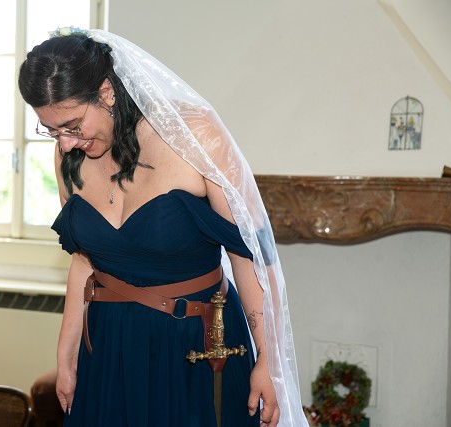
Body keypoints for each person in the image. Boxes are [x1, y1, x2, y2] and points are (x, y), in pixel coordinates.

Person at [18, 28, 308, 427]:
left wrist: (268, 360)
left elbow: (252, 256)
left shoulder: (195, 134)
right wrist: (66, 355)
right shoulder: (68, 156)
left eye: (72, 125)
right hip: (108, 345)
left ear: (106, 93)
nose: (65, 143)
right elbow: (85, 260)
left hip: (196, 343)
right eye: (51, 130)